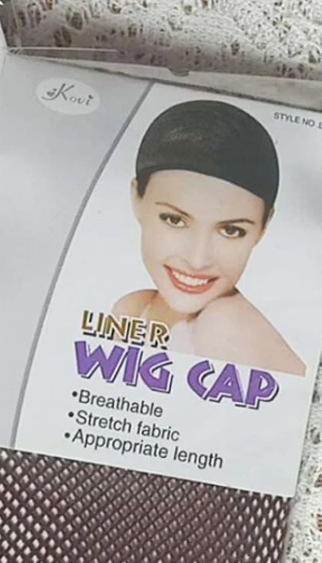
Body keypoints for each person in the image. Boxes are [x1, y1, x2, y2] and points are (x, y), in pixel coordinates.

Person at [113, 99, 305, 376]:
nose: (197, 260)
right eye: (175, 220)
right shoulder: (134, 308)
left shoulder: (224, 324)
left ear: (263, 227)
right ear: (136, 199)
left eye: (231, 231)